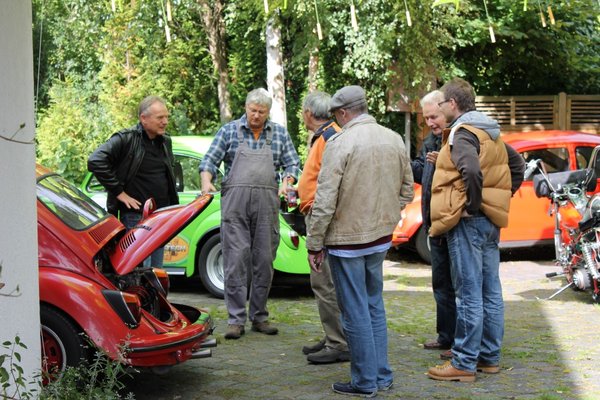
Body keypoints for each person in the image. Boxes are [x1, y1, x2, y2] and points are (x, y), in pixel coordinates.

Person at [305, 85, 414, 397]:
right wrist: (386, 214)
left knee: (354, 312)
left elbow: (324, 200)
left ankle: (365, 381)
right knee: (374, 305)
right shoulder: (394, 138)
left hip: (347, 241)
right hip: (380, 238)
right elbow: (407, 190)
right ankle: (381, 375)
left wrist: (315, 242)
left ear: (342, 113)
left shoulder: (341, 142)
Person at [427, 78, 525, 382]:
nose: (440, 108)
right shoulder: (489, 131)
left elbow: (470, 169)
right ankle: (488, 358)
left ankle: (464, 363)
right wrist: (498, 199)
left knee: (468, 293)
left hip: (469, 223)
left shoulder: (463, 132)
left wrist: (472, 203)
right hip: (489, 222)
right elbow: (518, 164)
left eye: (442, 104)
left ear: (452, 104)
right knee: (490, 291)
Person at [199, 88, 300, 340]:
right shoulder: (229, 131)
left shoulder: (278, 134)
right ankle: (235, 319)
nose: (256, 116)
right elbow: (209, 160)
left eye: (261, 112)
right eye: (252, 110)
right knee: (235, 260)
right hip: (235, 206)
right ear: (245, 107)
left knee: (264, 261)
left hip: (267, 206)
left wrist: (287, 181)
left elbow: (292, 163)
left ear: (268, 113)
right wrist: (205, 180)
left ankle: (259, 316)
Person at [88, 95, 179, 268]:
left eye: (166, 116)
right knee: (138, 271)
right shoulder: (126, 139)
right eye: (160, 117)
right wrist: (119, 193)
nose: (165, 121)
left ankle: (153, 296)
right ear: (143, 119)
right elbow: (95, 160)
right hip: (136, 217)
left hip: (161, 216)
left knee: (155, 272)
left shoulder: (165, 141)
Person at [297, 91, 350, 364]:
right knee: (326, 282)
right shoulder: (324, 135)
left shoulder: (330, 137)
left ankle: (338, 342)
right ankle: (333, 335)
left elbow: (332, 183)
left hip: (324, 219)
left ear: (308, 112)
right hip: (319, 215)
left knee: (324, 282)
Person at [412, 90, 455, 359]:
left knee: (458, 286)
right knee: (440, 284)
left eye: (434, 116)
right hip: (435, 225)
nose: (430, 122)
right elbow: (420, 170)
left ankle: (460, 341)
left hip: (454, 225)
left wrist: (444, 162)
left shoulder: (459, 137)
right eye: (426, 118)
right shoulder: (430, 141)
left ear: (446, 110)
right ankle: (446, 336)